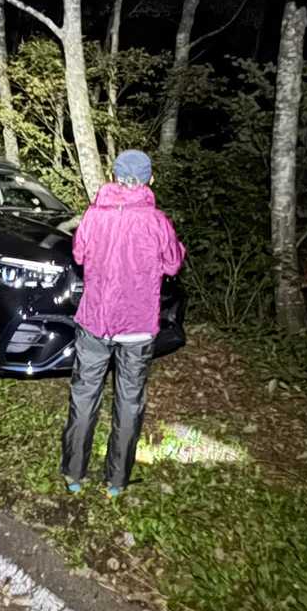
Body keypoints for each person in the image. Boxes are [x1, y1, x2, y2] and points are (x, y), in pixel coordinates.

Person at [61, 149, 186, 498]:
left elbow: (79, 254)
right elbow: (173, 264)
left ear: (114, 177)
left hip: (94, 321)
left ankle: (73, 474)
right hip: (137, 325)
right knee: (129, 401)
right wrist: (176, 248)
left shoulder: (94, 215)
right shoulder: (157, 221)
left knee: (84, 394)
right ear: (150, 180)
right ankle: (116, 481)